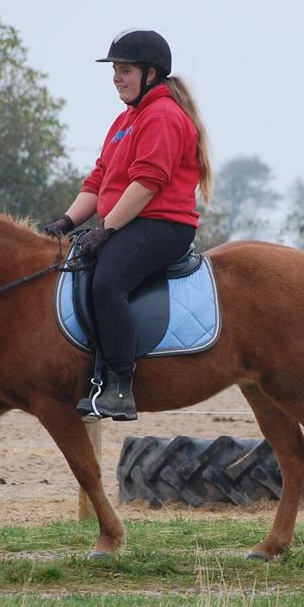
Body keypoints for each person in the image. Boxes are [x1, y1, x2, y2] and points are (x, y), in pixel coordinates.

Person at [43, 28, 213, 422]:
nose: (117, 77)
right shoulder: (126, 119)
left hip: (162, 224)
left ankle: (120, 385)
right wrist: (67, 221)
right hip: (130, 221)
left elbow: (146, 185)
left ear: (151, 74)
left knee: (108, 281)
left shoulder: (164, 116)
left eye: (125, 70)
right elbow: (98, 181)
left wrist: (107, 229)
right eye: (115, 70)